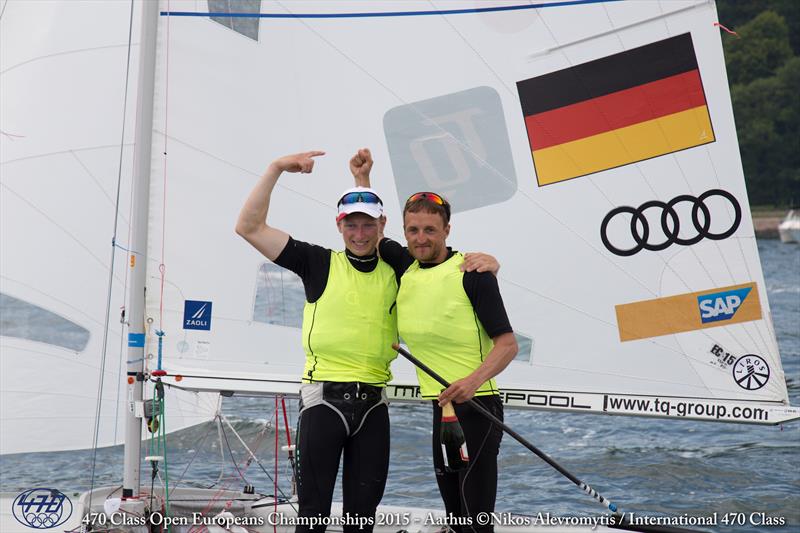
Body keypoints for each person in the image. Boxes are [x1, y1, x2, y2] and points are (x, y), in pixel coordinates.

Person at [236, 149, 499, 533]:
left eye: (368, 225)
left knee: (361, 523)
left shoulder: (401, 268)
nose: (359, 234)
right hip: (324, 403)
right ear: (339, 226)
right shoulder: (317, 263)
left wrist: (490, 263)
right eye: (351, 226)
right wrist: (275, 168)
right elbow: (249, 227)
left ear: (382, 227)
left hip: (373, 408)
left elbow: (440, 261)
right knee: (312, 521)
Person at [354, 153, 516, 533]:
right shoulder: (404, 265)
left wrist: (471, 382)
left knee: (475, 520)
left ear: (446, 230)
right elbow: (369, 233)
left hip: (478, 409)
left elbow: (507, 345)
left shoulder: (472, 274)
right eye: (413, 230)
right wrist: (363, 178)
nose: (420, 238)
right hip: (441, 410)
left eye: (430, 230)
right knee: (455, 515)